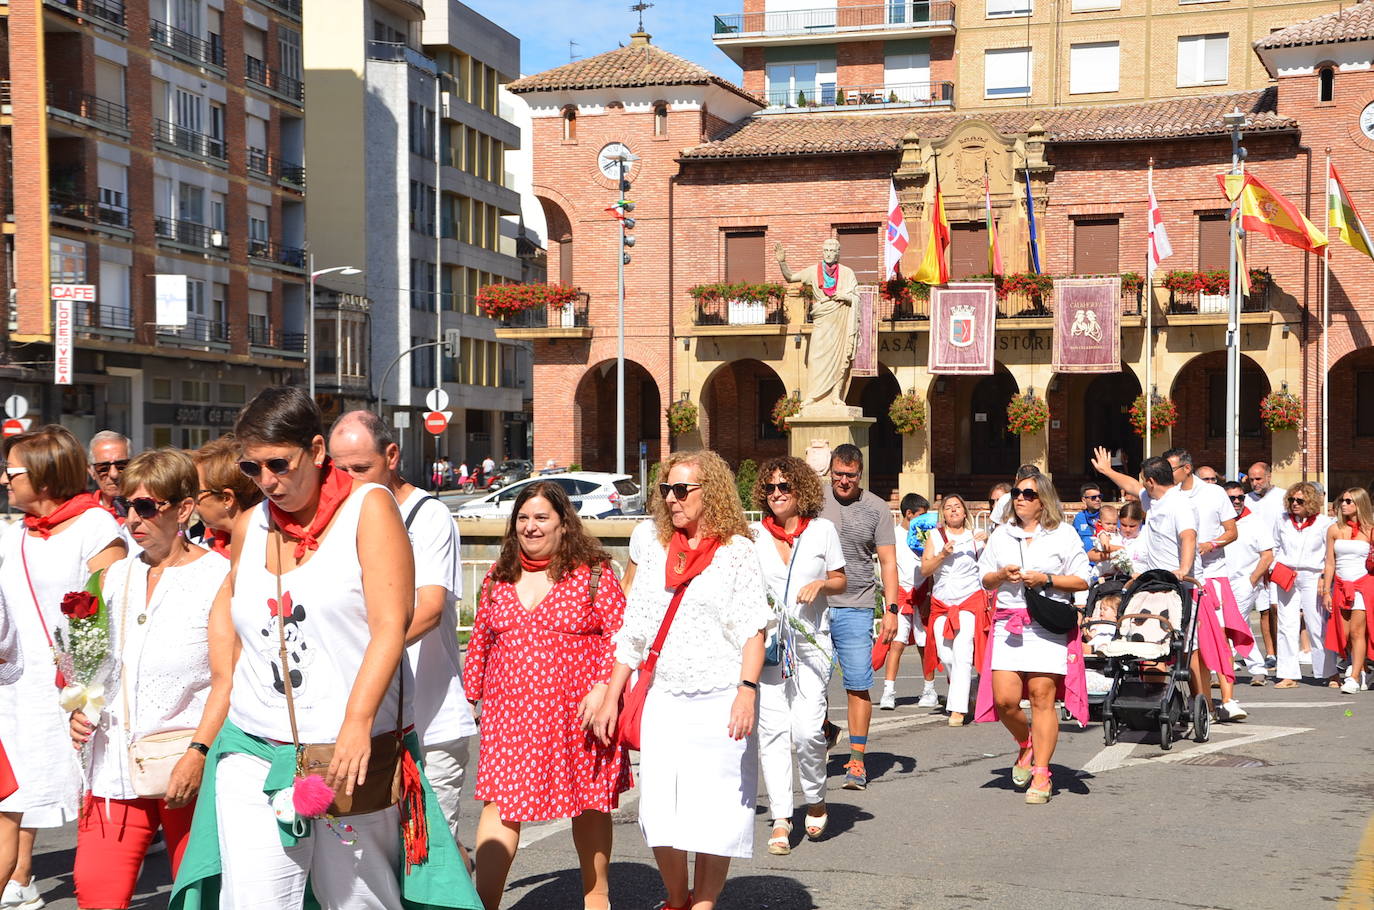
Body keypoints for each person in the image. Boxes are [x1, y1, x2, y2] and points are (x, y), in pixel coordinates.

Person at [170, 386, 478, 910]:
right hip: (252, 746)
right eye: (251, 469)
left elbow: (391, 625)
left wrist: (357, 721)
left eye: (278, 464)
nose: (267, 481)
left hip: (346, 752)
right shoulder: (250, 525)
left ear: (316, 451)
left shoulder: (370, 508)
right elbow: (233, 620)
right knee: (254, 901)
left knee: (358, 900)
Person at [594, 450, 772, 910]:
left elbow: (753, 628)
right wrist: (613, 694)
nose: (671, 499)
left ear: (709, 492)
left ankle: (704, 903)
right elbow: (634, 631)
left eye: (681, 490)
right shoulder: (654, 549)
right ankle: (676, 897)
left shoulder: (737, 551)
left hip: (720, 698)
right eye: (665, 490)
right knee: (659, 812)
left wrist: (746, 692)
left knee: (716, 811)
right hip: (664, 698)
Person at [68, 449, 230, 910]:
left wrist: (199, 753)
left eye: (146, 507)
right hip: (114, 763)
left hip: (187, 767)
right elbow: (92, 664)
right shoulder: (114, 575)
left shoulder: (218, 575)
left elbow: (228, 679)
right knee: (96, 893)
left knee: (198, 897)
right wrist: (82, 708)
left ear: (183, 509)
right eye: (126, 507)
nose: (133, 520)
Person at [465, 481, 630, 910]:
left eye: (541, 518)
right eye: (523, 518)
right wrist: (469, 694)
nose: (530, 527)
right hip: (510, 716)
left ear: (563, 524)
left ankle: (597, 898)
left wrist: (603, 689)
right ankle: (484, 903)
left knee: (590, 804)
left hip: (581, 713)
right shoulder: (498, 576)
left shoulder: (593, 572)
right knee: (501, 804)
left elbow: (621, 637)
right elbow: (480, 638)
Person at [329, 412, 475, 856]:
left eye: (361, 469)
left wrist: (364, 657)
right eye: (339, 470)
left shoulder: (427, 517)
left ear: (392, 456)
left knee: (428, 855)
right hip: (367, 721)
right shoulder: (337, 520)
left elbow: (429, 609)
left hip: (429, 720)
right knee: (367, 856)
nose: (350, 482)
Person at [0, 425, 126, 909]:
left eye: (13, 472)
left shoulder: (96, 527)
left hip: (74, 692)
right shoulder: (15, 536)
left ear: (45, 477)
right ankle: (21, 876)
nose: (5, 480)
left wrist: (86, 685)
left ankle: (81, 879)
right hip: (16, 691)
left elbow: (107, 609)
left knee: (86, 792)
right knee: (12, 797)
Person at [973, 473, 1089, 805]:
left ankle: (1042, 772)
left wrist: (1046, 578)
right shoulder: (1001, 535)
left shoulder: (1063, 535)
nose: (1020, 497)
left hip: (1046, 624)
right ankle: (1026, 744)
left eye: (1028, 493)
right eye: (1016, 492)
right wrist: (1000, 575)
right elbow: (985, 578)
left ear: (1043, 501)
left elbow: (1083, 579)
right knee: (1005, 701)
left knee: (1042, 697)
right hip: (1009, 624)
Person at [749, 456, 844, 854]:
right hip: (769, 646)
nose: (776, 495)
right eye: (770, 488)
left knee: (806, 730)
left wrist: (822, 584)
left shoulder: (821, 531)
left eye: (784, 487)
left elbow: (842, 579)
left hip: (810, 643)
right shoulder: (753, 535)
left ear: (799, 490)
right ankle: (782, 817)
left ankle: (816, 797)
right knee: (771, 732)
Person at [820, 444, 898, 791]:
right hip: (815, 606)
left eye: (850, 475)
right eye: (838, 474)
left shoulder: (877, 509)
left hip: (857, 604)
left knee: (857, 684)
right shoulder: (815, 501)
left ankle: (856, 760)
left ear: (860, 475)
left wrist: (892, 610)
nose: (843, 481)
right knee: (807, 686)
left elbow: (888, 562)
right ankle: (824, 730)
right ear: (831, 471)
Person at [921, 495, 990, 726]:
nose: (953, 511)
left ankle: (957, 710)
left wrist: (989, 542)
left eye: (957, 507)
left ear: (964, 511)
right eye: (948, 508)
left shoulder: (976, 537)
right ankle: (969, 693)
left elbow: (992, 566)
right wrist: (942, 555)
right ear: (943, 514)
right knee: (946, 655)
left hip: (969, 601)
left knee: (962, 653)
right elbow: (924, 569)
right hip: (942, 604)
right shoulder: (935, 536)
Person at [1272, 482, 1336, 689]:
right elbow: (1275, 546)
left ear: (1310, 501)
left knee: (1317, 624)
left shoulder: (1325, 523)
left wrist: (1325, 578)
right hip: (1287, 573)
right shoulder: (1281, 520)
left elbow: (1329, 555)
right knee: (1286, 624)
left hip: (1312, 575)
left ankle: (1329, 672)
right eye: (1292, 500)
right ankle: (1288, 674)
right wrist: (1275, 567)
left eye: (1300, 500)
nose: (1295, 504)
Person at [881, 494, 938, 711]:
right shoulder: (893, 536)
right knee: (897, 644)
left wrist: (929, 595)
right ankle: (888, 691)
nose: (925, 519)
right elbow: (888, 568)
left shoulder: (928, 537)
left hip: (922, 594)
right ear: (909, 514)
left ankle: (929, 689)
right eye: (921, 515)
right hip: (902, 595)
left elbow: (931, 567)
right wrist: (892, 600)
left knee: (925, 645)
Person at [1223, 481, 1275, 687]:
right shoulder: (1216, 521)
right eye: (1232, 498)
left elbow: (1267, 555)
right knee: (1233, 625)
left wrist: (1252, 580)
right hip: (1219, 580)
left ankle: (1252, 668)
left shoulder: (1255, 522)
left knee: (1234, 623)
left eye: (1240, 497)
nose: (1237, 501)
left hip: (1244, 582)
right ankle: (1254, 667)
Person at [1322, 488, 1373, 694]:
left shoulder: (1370, 529)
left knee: (1357, 631)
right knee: (1343, 634)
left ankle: (1352, 677)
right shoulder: (1334, 529)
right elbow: (1330, 563)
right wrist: (1326, 589)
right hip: (1341, 585)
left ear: (1359, 504)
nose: (1343, 504)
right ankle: (1364, 669)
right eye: (1342, 501)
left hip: (1363, 585)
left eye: (1349, 501)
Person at [191, 434, 265, 557]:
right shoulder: (203, 547)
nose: (190, 500)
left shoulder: (270, 547)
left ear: (227, 499)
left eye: (196, 492)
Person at [1247, 462, 1288, 669]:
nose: (1255, 483)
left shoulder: (1283, 497)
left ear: (1269, 476)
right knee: (1263, 609)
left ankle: (1285, 651)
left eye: (1259, 479)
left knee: (1276, 608)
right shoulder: (1245, 500)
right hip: (1254, 562)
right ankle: (1270, 653)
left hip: (1278, 559)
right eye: (1252, 479)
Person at [89, 429, 132, 519]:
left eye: (121, 466)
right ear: (91, 471)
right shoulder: (82, 513)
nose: (114, 474)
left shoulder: (147, 509)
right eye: (103, 468)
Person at [1072, 483, 1104, 556]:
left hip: (1103, 561)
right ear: (1084, 500)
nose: (1097, 499)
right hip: (1085, 561)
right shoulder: (1079, 518)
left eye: (1100, 496)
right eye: (1093, 497)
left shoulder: (1107, 515)